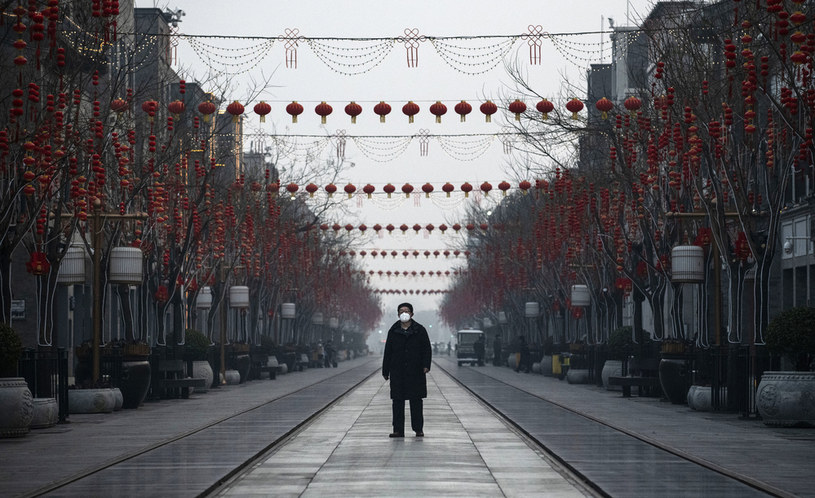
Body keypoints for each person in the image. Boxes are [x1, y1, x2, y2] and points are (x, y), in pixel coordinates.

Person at [382, 302, 432, 438]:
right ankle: (398, 430)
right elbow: (388, 352)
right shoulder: (393, 331)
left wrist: (426, 365)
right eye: (401, 311)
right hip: (397, 371)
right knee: (397, 401)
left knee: (416, 401)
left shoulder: (420, 330)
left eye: (407, 311)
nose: (404, 313)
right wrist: (385, 370)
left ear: (412, 314)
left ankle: (418, 429)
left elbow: (427, 349)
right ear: (398, 314)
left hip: (415, 371)